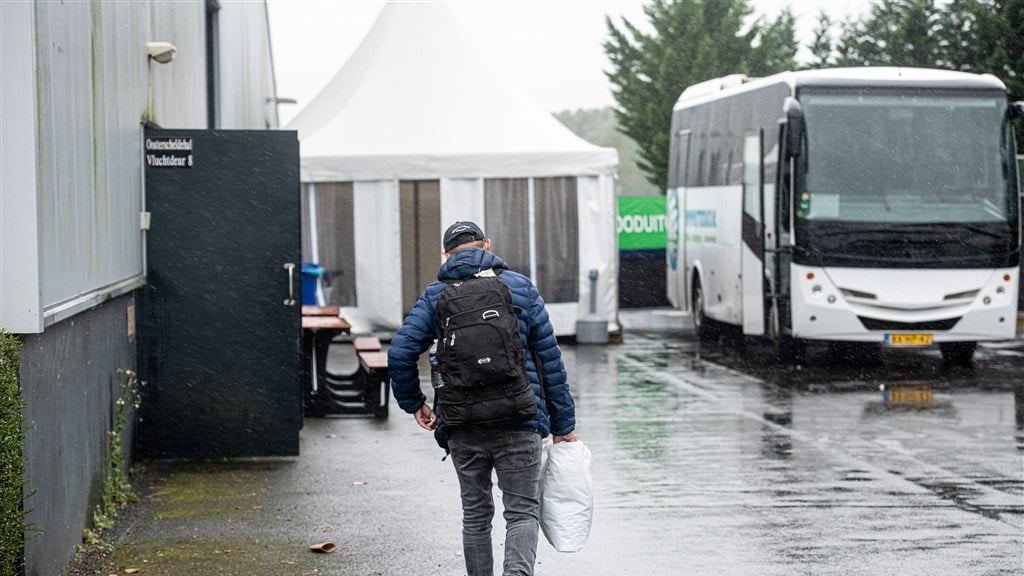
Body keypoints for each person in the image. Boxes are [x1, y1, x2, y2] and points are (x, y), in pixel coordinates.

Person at [388, 220, 578, 576]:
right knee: (522, 511)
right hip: (520, 417)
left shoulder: (435, 296)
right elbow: (549, 359)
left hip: (463, 423)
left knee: (476, 514)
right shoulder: (520, 288)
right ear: (486, 246)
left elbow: (400, 352)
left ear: (447, 255)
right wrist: (563, 425)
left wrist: (415, 403)